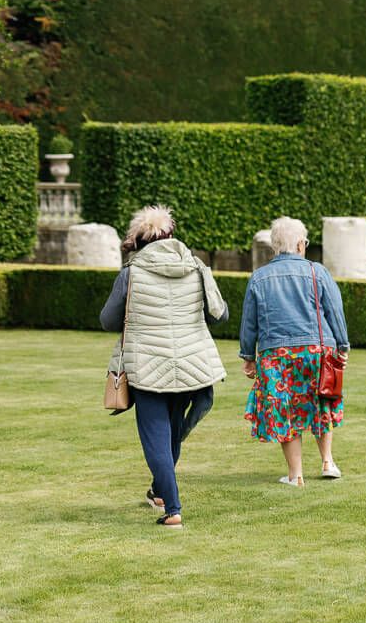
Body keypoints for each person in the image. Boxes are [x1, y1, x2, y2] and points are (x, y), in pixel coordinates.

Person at [99, 205, 228, 528]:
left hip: (147, 364)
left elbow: (107, 320)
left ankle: (172, 508)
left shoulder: (131, 273)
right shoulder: (197, 267)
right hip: (191, 362)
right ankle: (159, 492)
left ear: (140, 242)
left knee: (157, 436)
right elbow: (220, 314)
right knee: (170, 433)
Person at [239, 217, 349, 484]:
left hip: (275, 354)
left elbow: (249, 322)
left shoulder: (259, 277)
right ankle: (327, 461)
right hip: (316, 351)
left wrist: (248, 357)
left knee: (284, 411)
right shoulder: (317, 271)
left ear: (275, 247)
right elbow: (335, 311)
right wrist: (342, 346)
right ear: (301, 244)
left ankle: (295, 475)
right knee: (320, 402)